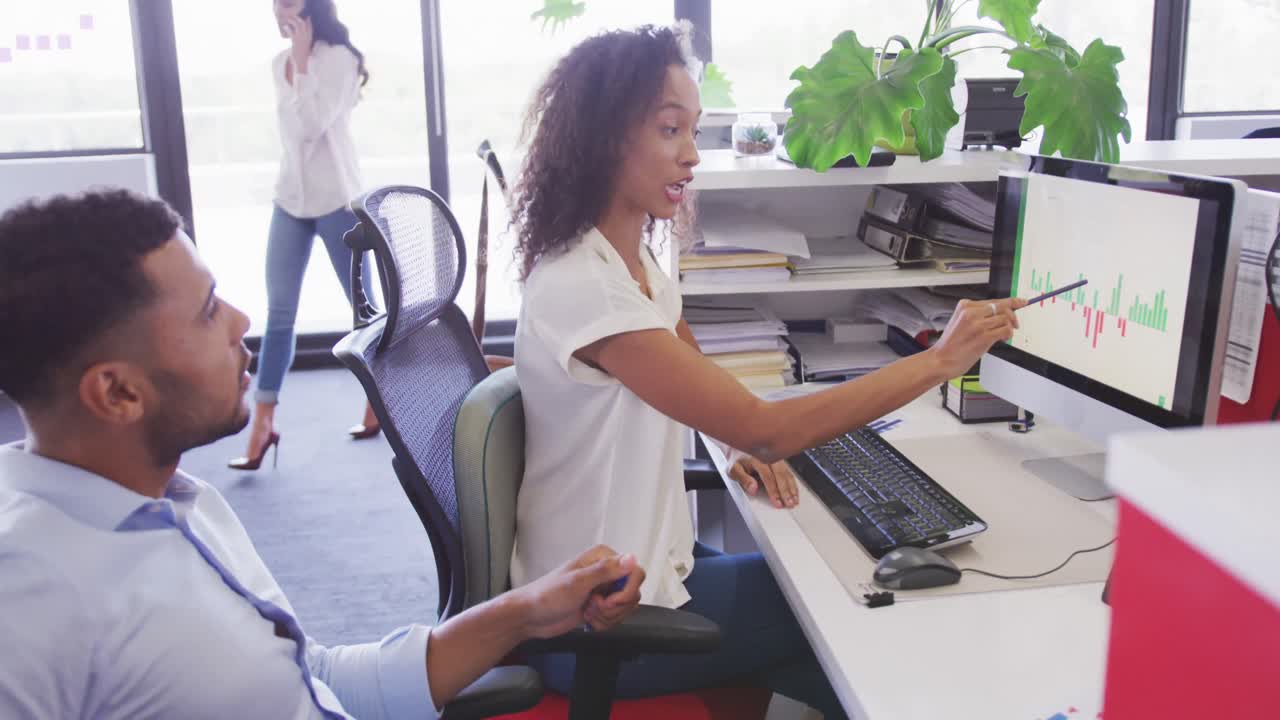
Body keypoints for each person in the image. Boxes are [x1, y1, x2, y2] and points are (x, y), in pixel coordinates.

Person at [507, 24, 1027, 719]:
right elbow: (769, 430)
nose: (691, 156)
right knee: (855, 614)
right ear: (604, 138)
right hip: (595, 617)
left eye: (693, 131)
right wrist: (941, 360)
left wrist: (729, 439)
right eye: (670, 131)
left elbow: (688, 366)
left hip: (646, 562)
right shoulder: (588, 285)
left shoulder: (627, 262)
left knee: (838, 630)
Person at [0, 189, 645, 719]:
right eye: (204, 313)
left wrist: (524, 612)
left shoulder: (176, 499)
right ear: (117, 392)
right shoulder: (31, 603)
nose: (240, 320)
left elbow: (307, 677)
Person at [232, 0, 379, 471]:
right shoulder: (281, 65)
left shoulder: (341, 59)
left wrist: (301, 59)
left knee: (364, 310)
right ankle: (262, 424)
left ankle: (379, 403)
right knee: (278, 314)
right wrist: (294, 62)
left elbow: (313, 125)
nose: (281, 10)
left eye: (290, 3)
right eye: (276, 3)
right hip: (290, 199)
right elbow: (293, 135)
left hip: (337, 199)